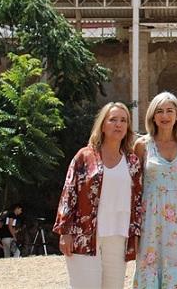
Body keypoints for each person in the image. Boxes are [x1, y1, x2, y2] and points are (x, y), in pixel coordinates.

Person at [53, 102, 143, 289]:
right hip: (84, 235)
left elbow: (138, 200)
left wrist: (137, 232)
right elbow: (68, 194)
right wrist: (65, 232)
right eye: (113, 120)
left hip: (118, 236)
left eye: (123, 120)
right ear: (103, 125)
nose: (118, 124)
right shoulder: (84, 156)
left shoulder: (133, 161)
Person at [133, 92, 177, 289]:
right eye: (160, 111)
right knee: (148, 267)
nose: (165, 116)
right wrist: (133, 224)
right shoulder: (142, 145)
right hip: (150, 218)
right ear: (153, 116)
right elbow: (134, 187)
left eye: (169, 111)